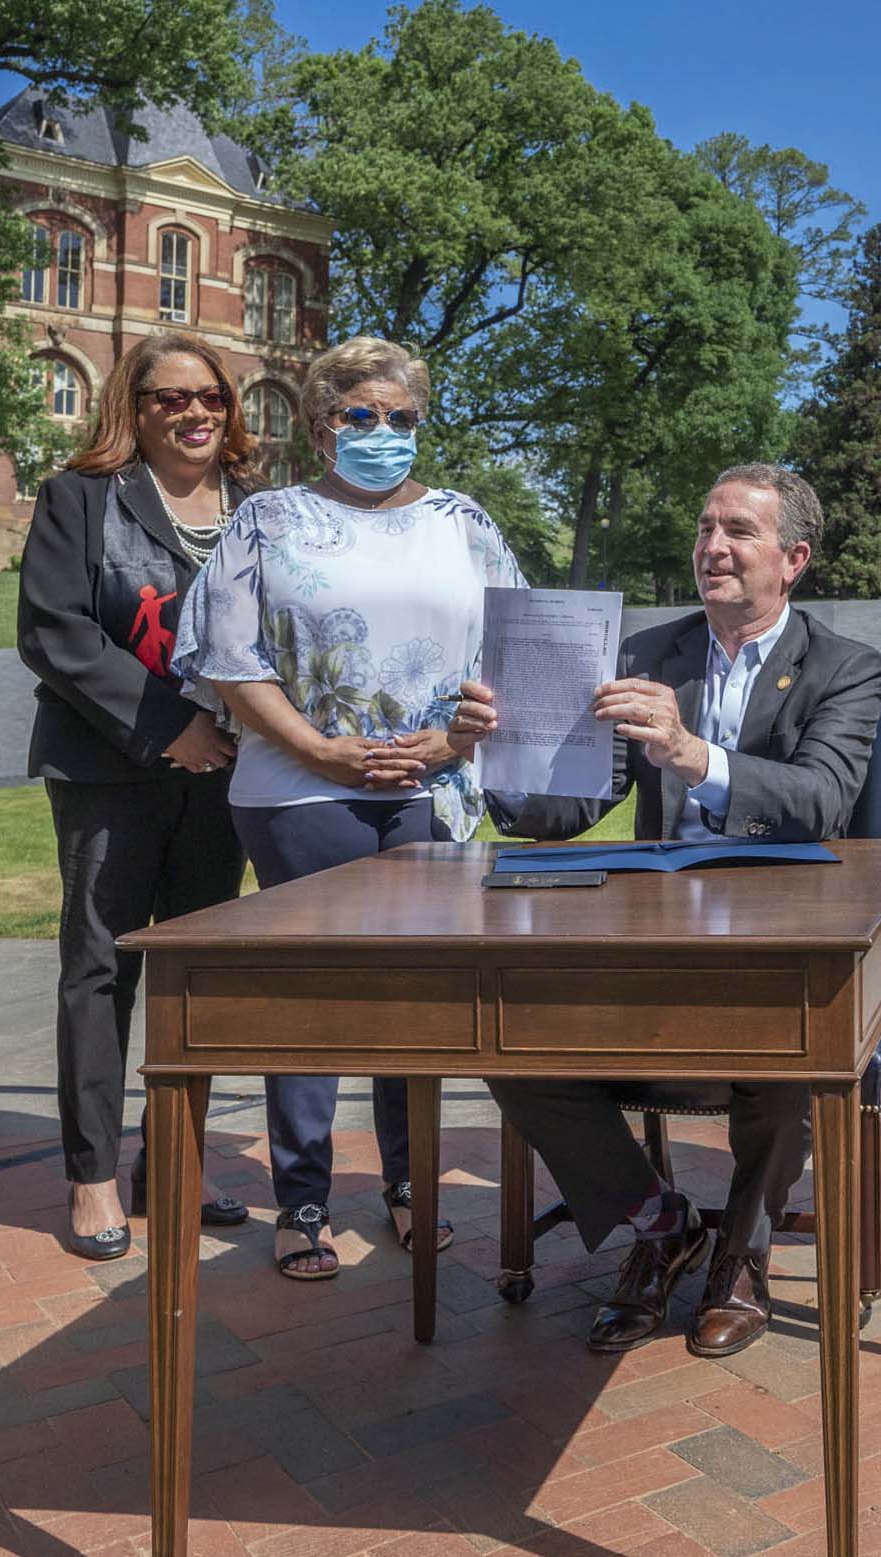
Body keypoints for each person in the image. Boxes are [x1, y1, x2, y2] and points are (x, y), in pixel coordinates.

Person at [446, 464, 881, 1357]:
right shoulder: (649, 656)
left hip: (778, 939)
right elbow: (568, 809)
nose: (713, 548)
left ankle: (741, 1258)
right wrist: (498, 759)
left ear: (793, 558)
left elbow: (821, 801)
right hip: (651, 938)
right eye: (705, 529)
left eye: (739, 532)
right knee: (497, 1035)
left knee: (792, 1055)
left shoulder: (846, 669)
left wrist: (693, 754)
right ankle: (660, 1222)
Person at [173, 336, 528, 1281]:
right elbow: (225, 658)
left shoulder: (464, 521)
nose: (382, 434)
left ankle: (410, 1187)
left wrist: (454, 742)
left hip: (433, 795)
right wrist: (319, 747)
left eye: (400, 418)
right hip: (296, 793)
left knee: (417, 1002)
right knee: (313, 997)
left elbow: (521, 649)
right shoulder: (267, 521)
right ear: (322, 423)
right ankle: (302, 1201)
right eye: (360, 416)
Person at [17, 332, 260, 1260]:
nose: (194, 412)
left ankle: (173, 1169)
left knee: (197, 976)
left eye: (210, 397)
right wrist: (171, 727)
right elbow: (55, 632)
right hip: (112, 769)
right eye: (169, 398)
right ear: (135, 407)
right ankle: (91, 1180)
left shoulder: (259, 509)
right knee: (101, 969)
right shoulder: (78, 499)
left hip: (227, 775)